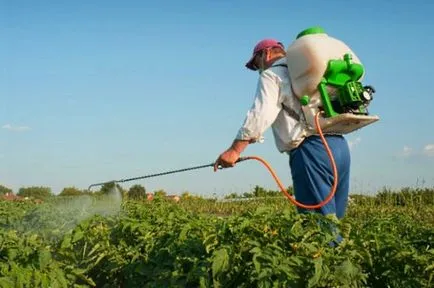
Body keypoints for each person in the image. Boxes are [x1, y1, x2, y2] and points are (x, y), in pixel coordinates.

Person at [213, 39, 351, 220]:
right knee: (336, 221)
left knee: (318, 228)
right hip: (339, 146)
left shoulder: (272, 74)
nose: (259, 69)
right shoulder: (309, 72)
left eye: (257, 64)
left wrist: (234, 150)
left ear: (266, 54)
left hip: (311, 150)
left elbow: (261, 113)